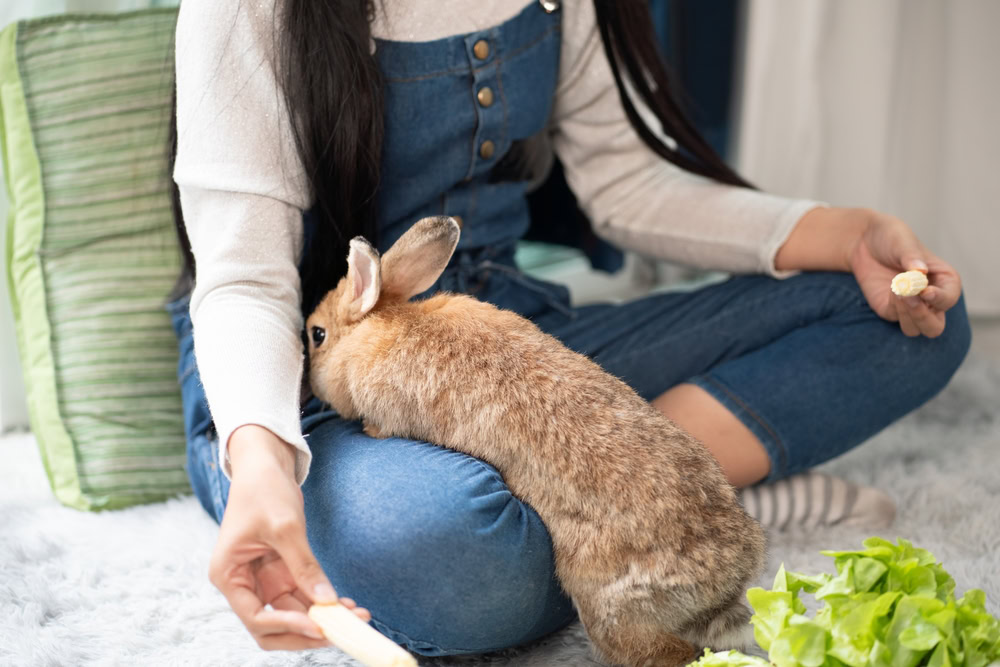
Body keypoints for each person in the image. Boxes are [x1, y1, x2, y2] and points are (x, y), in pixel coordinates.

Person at [166, 0, 970, 657]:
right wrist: (263, 468)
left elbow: (626, 184)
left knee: (908, 321)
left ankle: (662, 498)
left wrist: (845, 233)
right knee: (464, 561)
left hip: (509, 341)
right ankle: (669, 518)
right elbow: (245, 282)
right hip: (301, 381)